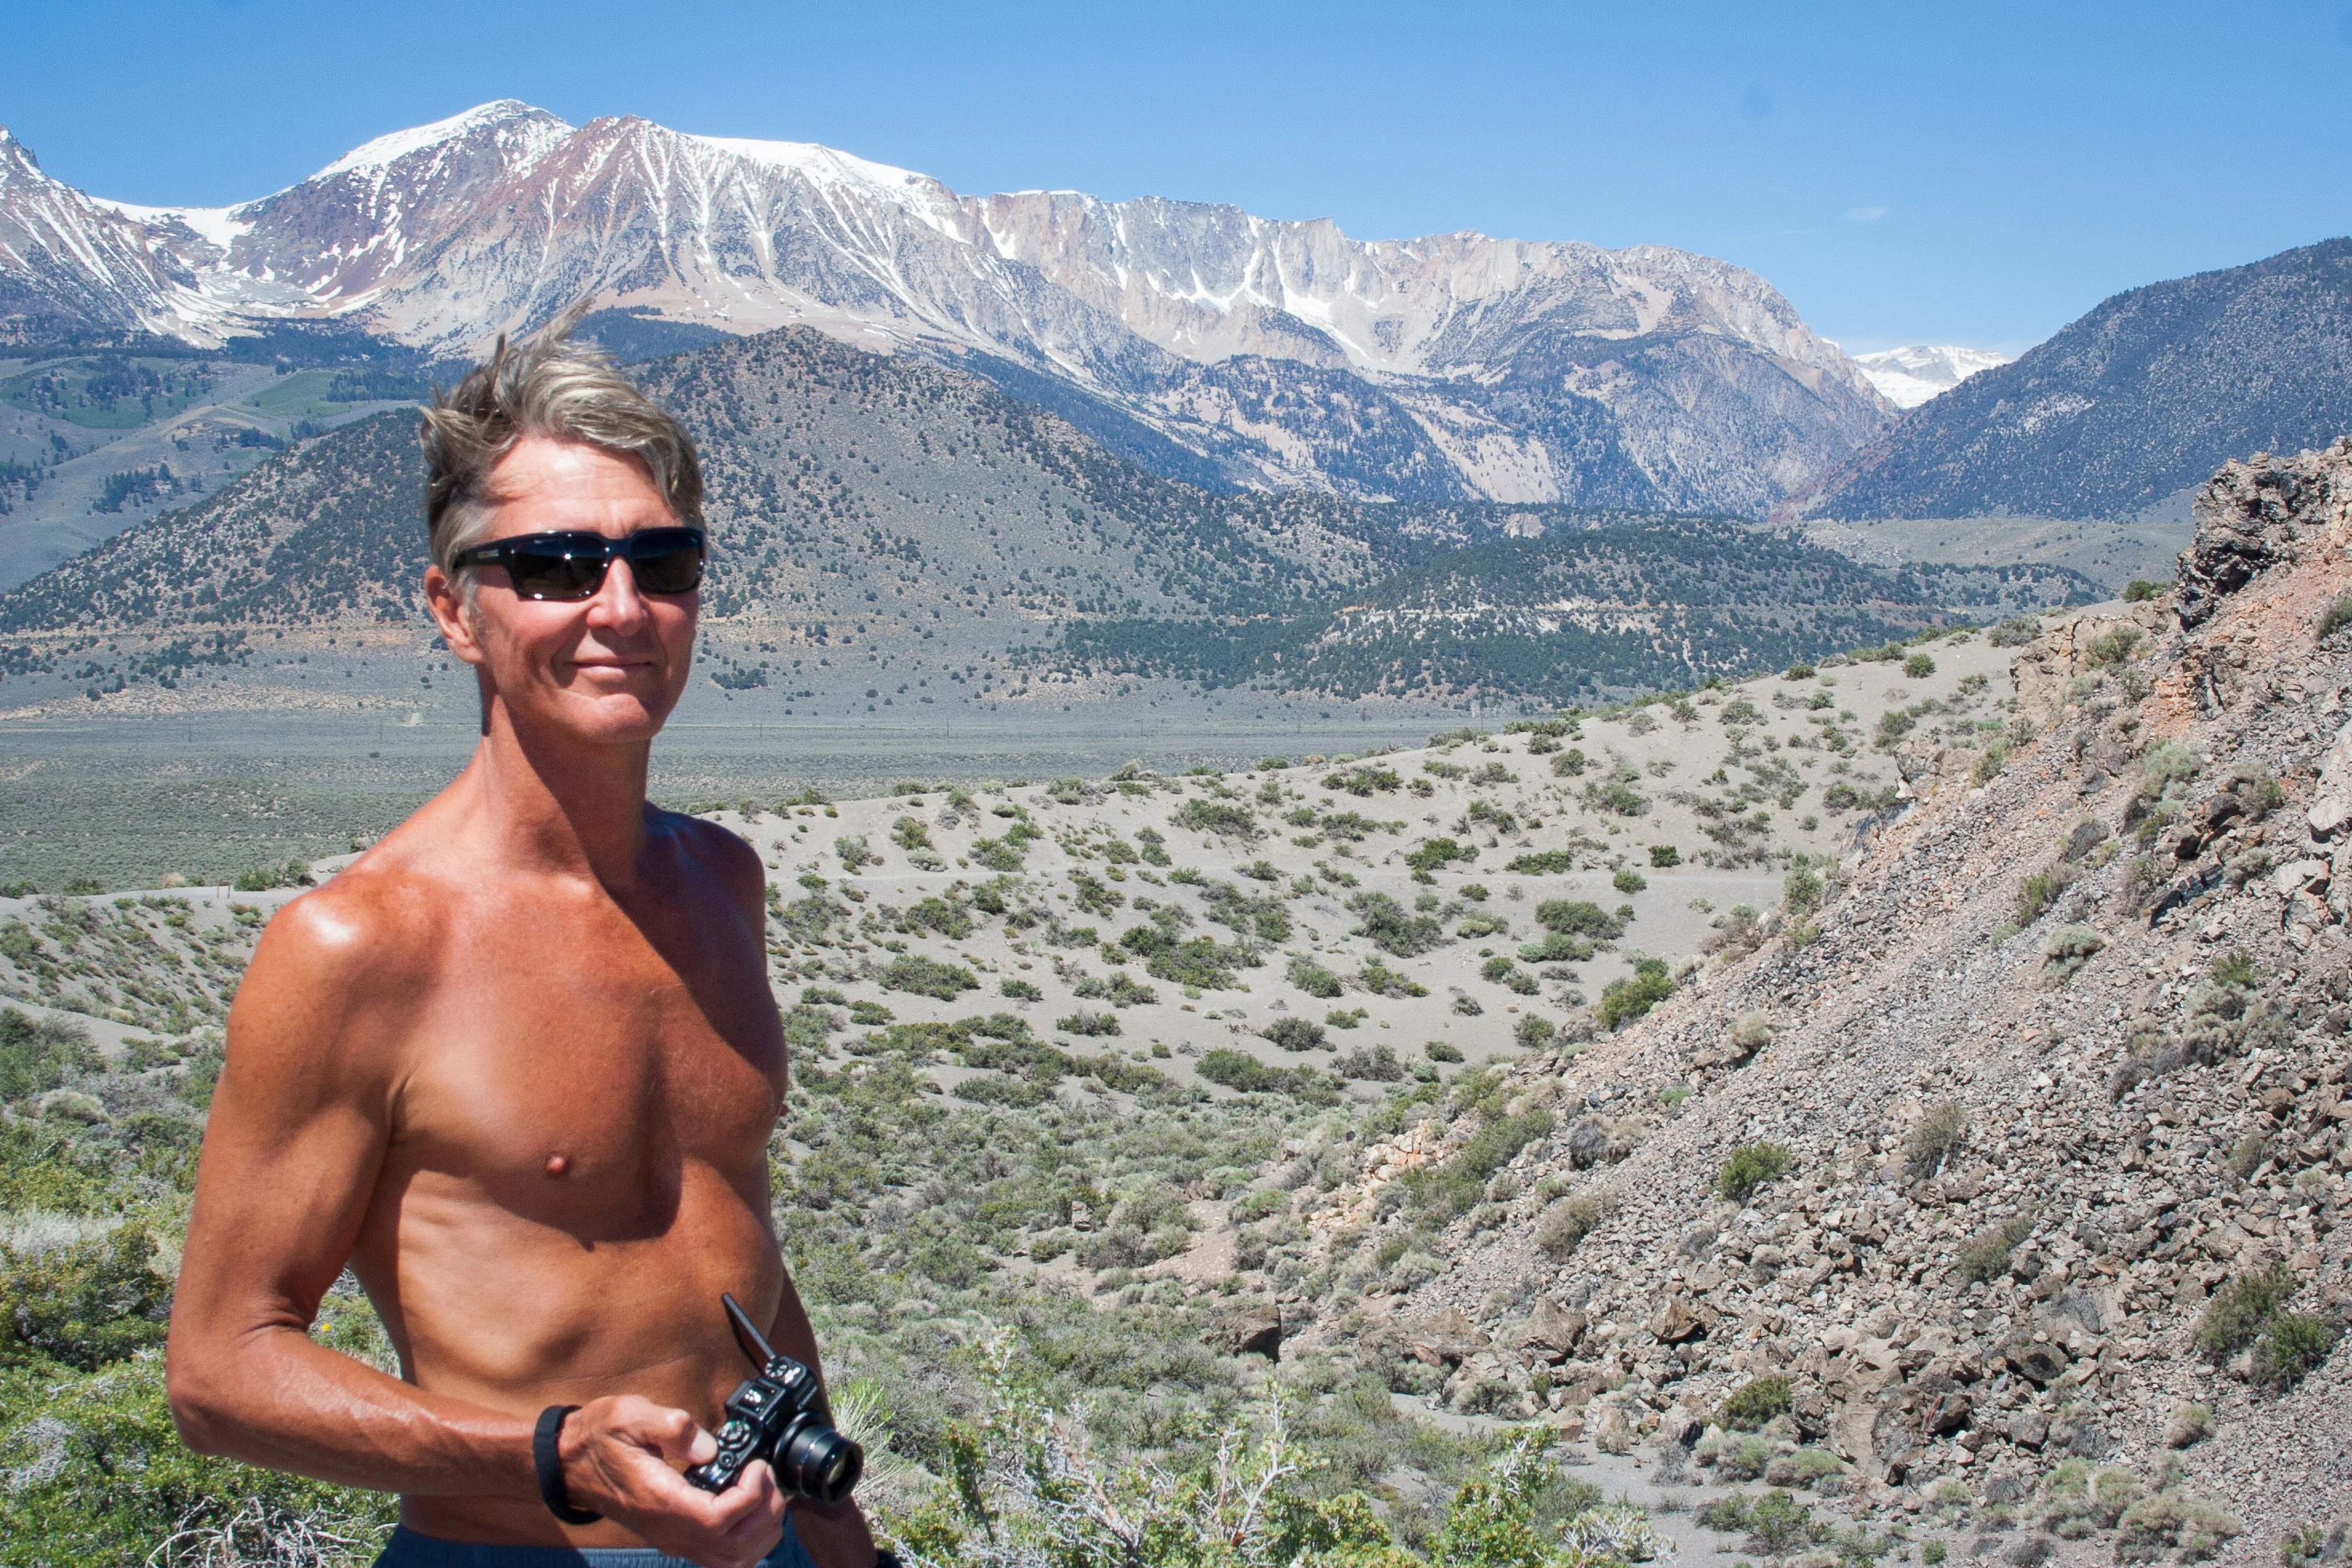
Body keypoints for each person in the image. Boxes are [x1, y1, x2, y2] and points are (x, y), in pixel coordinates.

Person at [165, 311, 877, 1568]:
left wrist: (844, 1544)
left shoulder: (723, 884)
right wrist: (549, 1458)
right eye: (553, 565)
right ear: (453, 609)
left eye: (662, 563)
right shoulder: (358, 949)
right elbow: (220, 1370)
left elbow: (737, 1260)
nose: (619, 607)